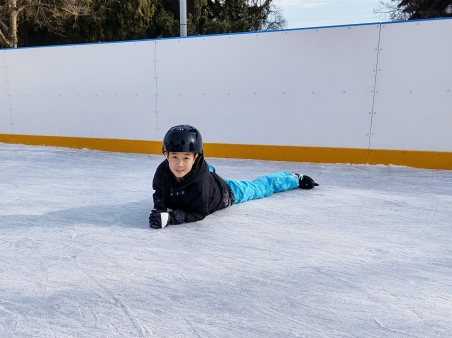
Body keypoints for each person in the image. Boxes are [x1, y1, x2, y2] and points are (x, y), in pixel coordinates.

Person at [149, 125, 318, 229]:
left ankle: (292, 177)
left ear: (196, 157)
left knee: (258, 188)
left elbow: (199, 212)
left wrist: (171, 219)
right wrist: (160, 206)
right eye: (174, 157)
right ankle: (210, 171)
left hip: (226, 192)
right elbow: (158, 190)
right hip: (207, 178)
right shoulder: (162, 172)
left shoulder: (201, 187)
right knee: (206, 174)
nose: (179, 164)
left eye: (186, 158)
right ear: (166, 156)